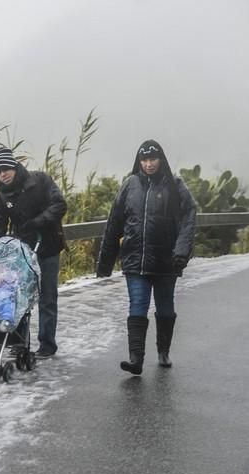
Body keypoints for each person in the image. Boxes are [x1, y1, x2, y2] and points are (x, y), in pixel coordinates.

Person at [96, 139, 196, 374]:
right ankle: (136, 359)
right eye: (144, 159)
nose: (149, 164)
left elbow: (189, 219)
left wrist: (181, 252)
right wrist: (105, 263)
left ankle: (163, 351)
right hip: (135, 261)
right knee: (137, 306)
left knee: (165, 309)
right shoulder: (129, 185)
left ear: (161, 159)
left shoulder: (176, 186)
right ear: (139, 161)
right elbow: (114, 224)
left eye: (153, 159)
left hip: (166, 262)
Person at [0, 146, 67, 359]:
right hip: (21, 251)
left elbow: (60, 205)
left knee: (47, 297)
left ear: (14, 166)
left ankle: (47, 345)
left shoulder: (40, 181)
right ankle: (19, 343)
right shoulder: (2, 194)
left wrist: (37, 223)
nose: (3, 174)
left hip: (47, 246)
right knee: (17, 296)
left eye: (6, 169)